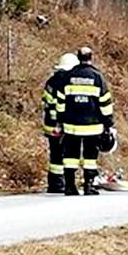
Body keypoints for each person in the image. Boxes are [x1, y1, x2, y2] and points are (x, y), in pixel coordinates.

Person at [56, 47, 114, 196]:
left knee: (70, 156)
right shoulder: (97, 77)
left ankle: (70, 186)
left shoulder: (68, 76)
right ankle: (89, 186)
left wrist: (60, 120)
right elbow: (105, 103)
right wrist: (108, 122)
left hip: (71, 126)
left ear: (78, 58)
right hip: (92, 126)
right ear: (91, 58)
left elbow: (60, 101)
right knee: (90, 157)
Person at [41, 52, 79, 193]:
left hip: (50, 125)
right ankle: (64, 183)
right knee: (67, 153)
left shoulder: (51, 82)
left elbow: (46, 102)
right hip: (64, 124)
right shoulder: (69, 82)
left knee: (55, 153)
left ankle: (55, 184)